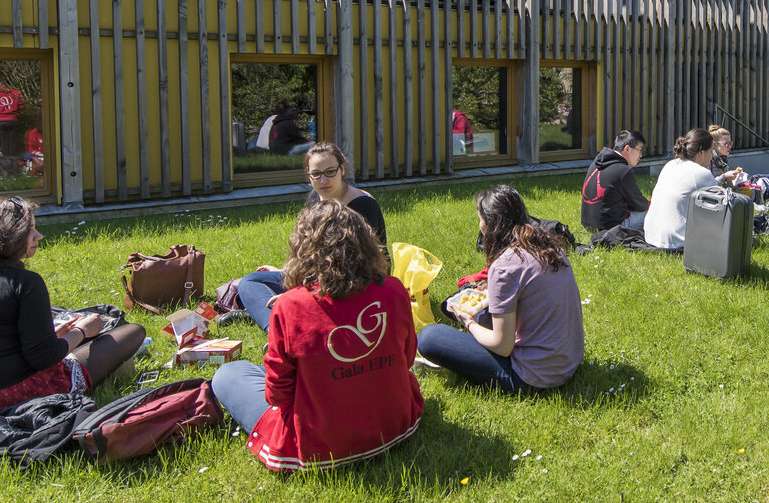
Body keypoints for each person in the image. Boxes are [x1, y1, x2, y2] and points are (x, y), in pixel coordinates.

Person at [211, 199, 422, 471]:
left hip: (319, 444)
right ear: (366, 242)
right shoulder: (393, 290)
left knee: (230, 373)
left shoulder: (289, 306)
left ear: (303, 250)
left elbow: (277, 396)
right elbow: (405, 360)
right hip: (395, 425)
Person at [0, 196, 146, 416]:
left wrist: (54, 335)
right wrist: (82, 331)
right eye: (29, 230)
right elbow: (44, 358)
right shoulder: (24, 283)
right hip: (4, 397)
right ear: (5, 236)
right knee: (132, 332)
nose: (38, 236)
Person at [415, 185, 584, 393]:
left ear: (491, 224)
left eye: (480, 219)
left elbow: (503, 346)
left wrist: (466, 321)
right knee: (484, 317)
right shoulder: (551, 248)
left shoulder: (505, 265)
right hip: (568, 361)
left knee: (430, 336)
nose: (479, 225)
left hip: (532, 376)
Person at [236, 143, 387, 332]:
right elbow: (311, 252)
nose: (323, 180)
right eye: (316, 174)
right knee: (250, 282)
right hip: (317, 277)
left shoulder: (362, 205)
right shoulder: (315, 199)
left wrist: (302, 294)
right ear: (309, 177)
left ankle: (281, 323)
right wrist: (291, 274)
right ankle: (276, 327)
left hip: (351, 286)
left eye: (330, 172)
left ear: (342, 170)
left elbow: (362, 269)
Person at [644, 128, 724, 249]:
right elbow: (723, 206)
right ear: (701, 153)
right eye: (711, 152)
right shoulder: (702, 173)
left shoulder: (670, 164)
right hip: (677, 242)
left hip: (651, 235)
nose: (712, 157)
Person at [580, 130, 652, 232]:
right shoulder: (623, 171)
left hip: (589, 224)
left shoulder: (596, 163)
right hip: (611, 228)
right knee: (656, 212)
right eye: (640, 150)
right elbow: (640, 205)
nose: (640, 155)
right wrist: (654, 203)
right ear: (627, 149)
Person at [0, 82, 26, 157]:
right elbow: (22, 106)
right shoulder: (16, 93)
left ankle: (4, 162)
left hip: (0, 120)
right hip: (13, 119)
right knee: (12, 142)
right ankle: (11, 161)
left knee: (3, 142)